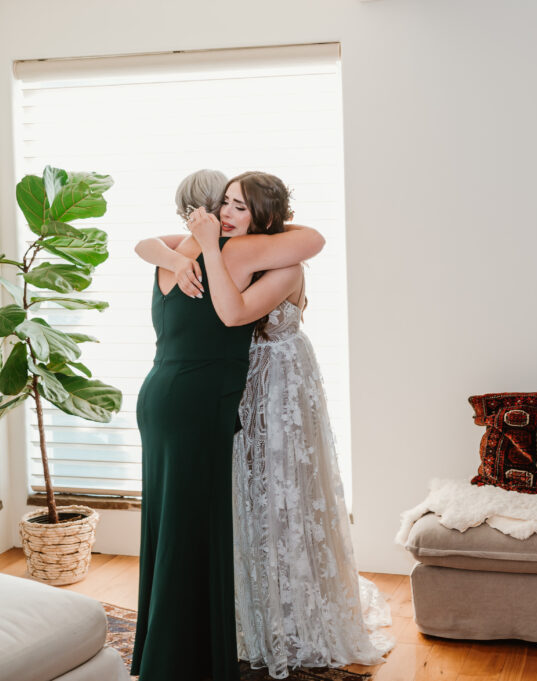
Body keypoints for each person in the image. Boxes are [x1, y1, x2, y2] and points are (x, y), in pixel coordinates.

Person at [139, 171, 394, 679]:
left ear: (264, 218)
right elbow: (147, 245)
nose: (226, 214)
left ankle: (283, 612)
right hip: (228, 388)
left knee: (282, 499)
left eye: (238, 207)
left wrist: (203, 249)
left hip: (277, 388)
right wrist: (182, 255)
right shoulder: (219, 250)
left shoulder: (275, 259)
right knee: (234, 508)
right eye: (224, 204)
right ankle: (227, 625)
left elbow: (297, 254)